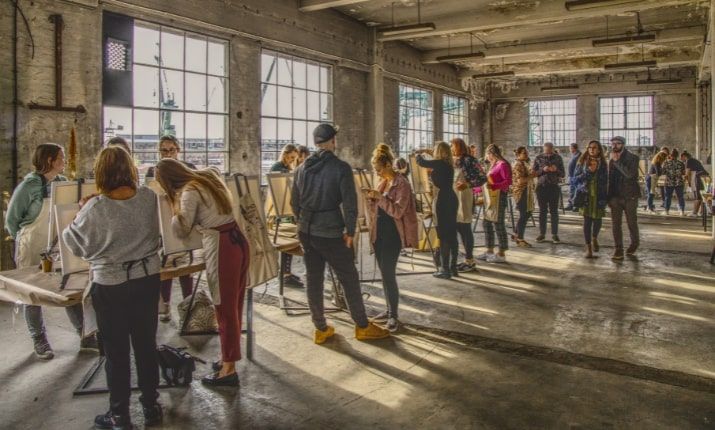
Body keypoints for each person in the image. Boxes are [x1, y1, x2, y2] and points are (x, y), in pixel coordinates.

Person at [62, 146, 162, 429]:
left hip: (110, 284)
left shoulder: (96, 207)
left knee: (116, 352)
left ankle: (120, 414)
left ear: (101, 173)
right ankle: (151, 405)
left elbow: (74, 243)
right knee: (146, 344)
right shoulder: (148, 197)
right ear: (130, 168)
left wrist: (80, 213)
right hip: (146, 278)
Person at [291, 123, 389, 343]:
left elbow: (294, 203)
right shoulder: (340, 167)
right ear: (333, 141)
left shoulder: (301, 169)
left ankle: (320, 328)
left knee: (314, 279)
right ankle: (362, 326)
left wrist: (303, 222)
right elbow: (350, 203)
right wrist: (350, 231)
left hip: (306, 231)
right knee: (349, 278)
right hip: (331, 232)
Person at [155, 158, 249, 387]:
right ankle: (227, 358)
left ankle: (228, 370)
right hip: (236, 240)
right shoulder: (206, 178)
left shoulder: (189, 191)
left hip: (221, 245)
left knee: (223, 308)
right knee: (234, 304)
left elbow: (181, 229)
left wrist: (171, 210)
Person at [4, 143, 92, 360]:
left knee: (68, 287)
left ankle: (85, 335)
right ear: (49, 160)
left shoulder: (63, 184)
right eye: (61, 157)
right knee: (31, 293)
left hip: (56, 243)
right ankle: (39, 339)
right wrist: (24, 238)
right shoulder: (28, 186)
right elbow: (11, 220)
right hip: (32, 243)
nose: (64, 160)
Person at [363, 144, 418, 332]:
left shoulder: (402, 184)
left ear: (388, 165)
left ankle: (393, 315)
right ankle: (388, 311)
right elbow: (379, 206)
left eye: (378, 169)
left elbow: (398, 211)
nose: (376, 173)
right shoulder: (383, 182)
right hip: (379, 234)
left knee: (388, 274)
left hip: (393, 235)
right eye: (374, 170)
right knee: (385, 275)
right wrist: (371, 198)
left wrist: (379, 197)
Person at [146, 135, 197, 322]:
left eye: (171, 150)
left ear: (178, 150)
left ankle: (188, 306)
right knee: (166, 264)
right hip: (163, 222)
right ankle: (165, 305)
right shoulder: (153, 171)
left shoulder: (188, 168)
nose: (167, 154)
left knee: (186, 264)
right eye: (164, 150)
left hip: (184, 220)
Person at [416, 142, 459, 278]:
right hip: (451, 198)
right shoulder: (448, 164)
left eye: (435, 150)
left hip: (443, 200)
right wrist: (428, 151)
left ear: (439, 151)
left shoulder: (439, 163)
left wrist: (417, 153)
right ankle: (453, 267)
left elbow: (421, 162)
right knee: (451, 234)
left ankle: (445, 270)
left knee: (444, 235)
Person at [270, 144, 304, 288]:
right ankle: (285, 274)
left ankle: (286, 272)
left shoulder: (287, 167)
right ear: (285, 154)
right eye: (291, 157)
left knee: (290, 243)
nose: (292, 160)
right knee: (286, 242)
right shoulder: (277, 167)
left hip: (286, 208)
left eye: (294, 158)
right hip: (280, 209)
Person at [451, 138, 485, 272]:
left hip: (464, 196)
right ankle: (465, 258)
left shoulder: (470, 160)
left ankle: (470, 260)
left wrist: (468, 184)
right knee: (457, 227)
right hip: (453, 196)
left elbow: (483, 178)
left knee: (465, 228)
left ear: (459, 146)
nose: (451, 148)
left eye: (453, 146)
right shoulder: (453, 160)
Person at [476, 144, 512, 263]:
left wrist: (494, 186)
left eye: (487, 154)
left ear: (492, 153)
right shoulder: (493, 165)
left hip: (499, 197)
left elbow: (508, 181)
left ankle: (501, 253)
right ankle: (489, 250)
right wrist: (475, 188)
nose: (487, 157)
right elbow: (488, 182)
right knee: (486, 223)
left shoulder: (503, 164)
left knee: (498, 224)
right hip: (489, 198)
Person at [572, 140, 608, 258]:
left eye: (594, 147)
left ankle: (594, 237)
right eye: (590, 147)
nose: (592, 149)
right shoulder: (582, 162)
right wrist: (588, 172)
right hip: (585, 196)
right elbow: (574, 180)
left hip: (599, 196)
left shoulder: (603, 164)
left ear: (599, 150)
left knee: (597, 220)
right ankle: (588, 248)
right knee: (587, 222)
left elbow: (607, 180)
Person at [607, 136, 641, 260]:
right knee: (616, 224)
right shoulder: (611, 159)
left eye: (618, 143)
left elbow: (630, 175)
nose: (615, 146)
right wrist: (608, 197)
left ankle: (634, 243)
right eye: (613, 144)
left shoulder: (633, 158)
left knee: (632, 223)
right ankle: (618, 249)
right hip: (615, 196)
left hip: (629, 196)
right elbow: (610, 178)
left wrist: (617, 162)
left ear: (623, 144)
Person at [532, 142, 565, 243]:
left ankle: (555, 234)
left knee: (554, 211)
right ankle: (542, 234)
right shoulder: (538, 158)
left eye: (550, 151)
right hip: (541, 187)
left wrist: (556, 170)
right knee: (542, 211)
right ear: (543, 149)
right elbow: (533, 173)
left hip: (554, 187)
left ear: (553, 149)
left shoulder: (558, 158)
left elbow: (563, 174)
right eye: (546, 151)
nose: (548, 153)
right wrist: (542, 170)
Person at [511, 146, 535, 247]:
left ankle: (516, 234)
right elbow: (521, 180)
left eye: (526, 153)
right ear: (518, 154)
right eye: (524, 153)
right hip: (521, 192)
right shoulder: (518, 165)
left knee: (527, 212)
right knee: (524, 214)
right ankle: (520, 239)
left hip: (526, 191)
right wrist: (532, 176)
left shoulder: (523, 163)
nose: (526, 155)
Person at [681, 151, 710, 216]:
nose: (682, 160)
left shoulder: (688, 161)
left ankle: (694, 213)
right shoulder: (694, 160)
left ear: (684, 156)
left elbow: (687, 174)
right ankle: (702, 212)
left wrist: (687, 182)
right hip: (705, 177)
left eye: (682, 158)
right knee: (702, 196)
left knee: (697, 196)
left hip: (698, 178)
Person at [662, 149, 686, 216]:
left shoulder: (666, 163)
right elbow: (683, 173)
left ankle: (666, 211)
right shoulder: (681, 163)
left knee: (668, 197)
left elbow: (663, 172)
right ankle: (682, 211)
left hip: (669, 182)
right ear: (677, 155)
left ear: (670, 155)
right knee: (680, 197)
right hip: (679, 182)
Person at [565, 143, 581, 211]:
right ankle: (571, 205)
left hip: (575, 177)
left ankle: (575, 206)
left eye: (570, 148)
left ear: (573, 148)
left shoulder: (579, 155)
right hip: (572, 176)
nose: (569, 149)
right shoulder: (574, 155)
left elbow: (579, 167)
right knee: (572, 191)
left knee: (576, 192)